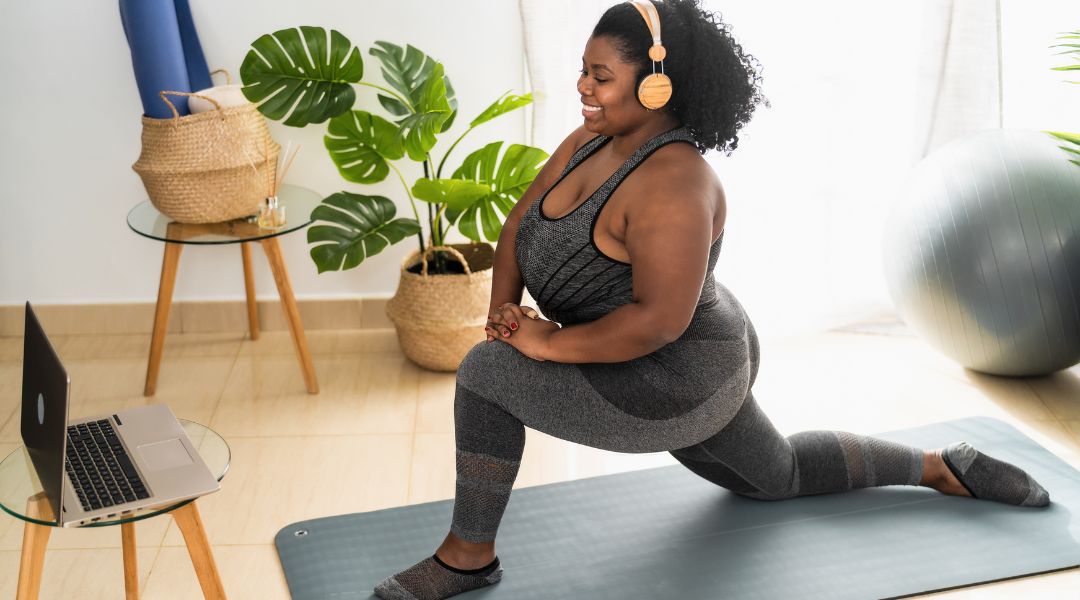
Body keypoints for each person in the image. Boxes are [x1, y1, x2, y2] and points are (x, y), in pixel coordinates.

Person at [374, 1, 1051, 598]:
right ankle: (939, 466)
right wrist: (506, 311)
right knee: (774, 475)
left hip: (680, 374)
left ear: (658, 82)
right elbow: (520, 222)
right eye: (583, 68)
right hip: (654, 350)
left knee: (486, 375)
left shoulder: (675, 183)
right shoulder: (588, 140)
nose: (582, 86)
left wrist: (543, 341)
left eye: (600, 76)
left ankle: (468, 558)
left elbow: (657, 322)